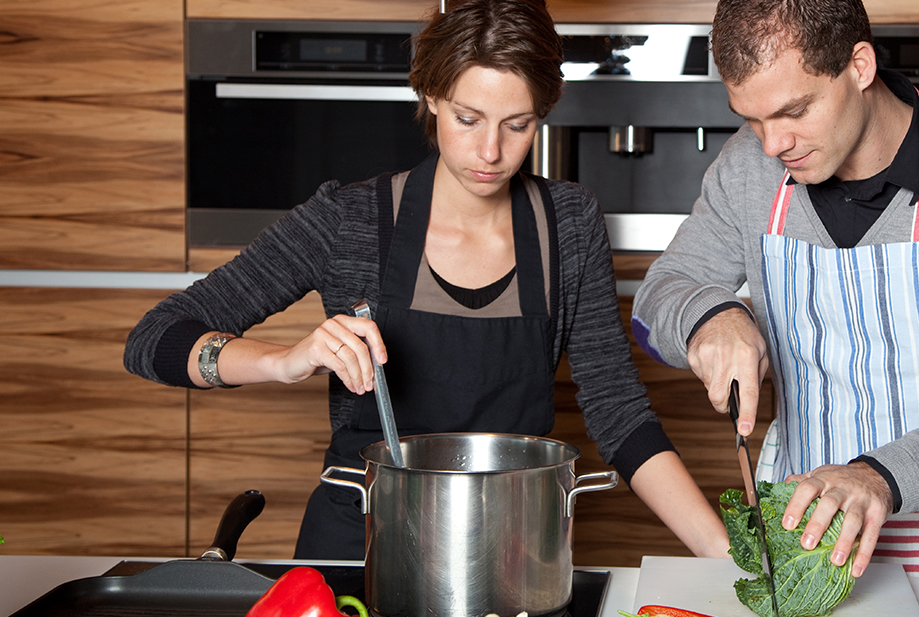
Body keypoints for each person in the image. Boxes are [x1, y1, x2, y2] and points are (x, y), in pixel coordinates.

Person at [124, 0, 728, 560]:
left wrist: (726, 561)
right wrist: (284, 361)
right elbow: (153, 340)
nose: (489, 151)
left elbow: (619, 413)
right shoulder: (349, 220)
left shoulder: (569, 225)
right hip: (358, 546)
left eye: (517, 125)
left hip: (508, 553)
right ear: (431, 95)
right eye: (468, 118)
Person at [632, 0, 919, 581]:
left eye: (794, 110)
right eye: (751, 119)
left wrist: (879, 477)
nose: (772, 144)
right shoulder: (748, 170)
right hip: (807, 558)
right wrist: (710, 315)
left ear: (859, 66)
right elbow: (659, 296)